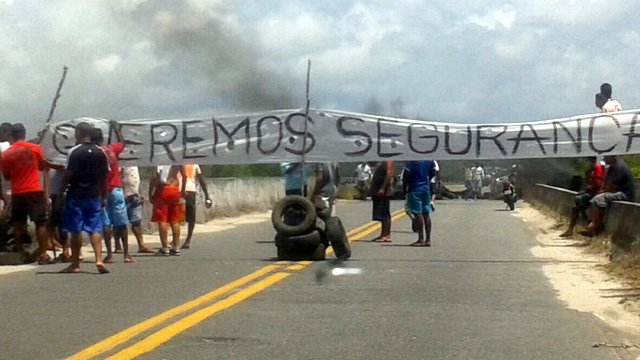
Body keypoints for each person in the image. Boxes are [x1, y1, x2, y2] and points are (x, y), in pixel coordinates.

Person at [57, 122, 110, 273]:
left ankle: (75, 264)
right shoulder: (100, 152)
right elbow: (104, 177)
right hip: (94, 195)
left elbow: (67, 175)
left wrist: (60, 195)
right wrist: (104, 195)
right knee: (95, 229)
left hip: (76, 195)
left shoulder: (74, 152)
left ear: (78, 133)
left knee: (75, 230)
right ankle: (99, 260)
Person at [1, 123, 52, 264]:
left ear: (12, 135)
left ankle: (21, 253)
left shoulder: (6, 154)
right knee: (40, 223)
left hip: (17, 192)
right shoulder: (35, 148)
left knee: (18, 224)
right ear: (24, 133)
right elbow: (42, 167)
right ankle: (42, 254)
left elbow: (7, 176)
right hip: (34, 190)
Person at [93, 124, 133, 264]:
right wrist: (116, 129)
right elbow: (123, 143)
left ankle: (109, 254)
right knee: (121, 222)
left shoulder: (94, 153)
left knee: (106, 223)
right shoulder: (112, 150)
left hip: (101, 191)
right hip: (116, 189)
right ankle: (126, 254)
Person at [580, 155, 635, 237]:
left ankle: (596, 225)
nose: (604, 159)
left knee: (599, 198)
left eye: (605, 157)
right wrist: (600, 191)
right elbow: (605, 183)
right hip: (616, 191)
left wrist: (600, 193)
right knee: (596, 198)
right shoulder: (611, 168)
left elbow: (611, 187)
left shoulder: (619, 167)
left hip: (625, 193)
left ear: (611, 157)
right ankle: (592, 222)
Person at [559, 157, 605, 238]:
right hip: (590, 192)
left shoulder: (598, 168)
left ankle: (586, 221)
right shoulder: (589, 170)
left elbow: (598, 184)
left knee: (578, 200)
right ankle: (570, 229)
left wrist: (588, 188)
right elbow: (586, 182)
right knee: (575, 207)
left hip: (596, 193)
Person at [149, 165, 186, 256]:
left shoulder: (159, 159)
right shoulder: (177, 158)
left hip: (163, 189)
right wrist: (183, 190)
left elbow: (154, 177)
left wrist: (150, 192)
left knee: (162, 219)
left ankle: (165, 247)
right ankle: (176, 247)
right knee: (175, 220)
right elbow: (184, 175)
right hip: (174, 188)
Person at [119, 166, 154, 253]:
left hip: (135, 195)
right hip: (123, 195)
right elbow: (118, 177)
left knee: (136, 221)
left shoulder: (135, 164)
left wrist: (140, 193)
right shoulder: (122, 162)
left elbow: (137, 180)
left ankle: (141, 244)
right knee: (120, 223)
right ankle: (118, 245)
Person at [403, 160, 437, 247]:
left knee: (418, 213)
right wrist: (427, 178)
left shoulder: (411, 161)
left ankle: (421, 239)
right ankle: (428, 239)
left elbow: (406, 175)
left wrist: (404, 188)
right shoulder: (429, 160)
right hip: (426, 189)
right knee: (426, 213)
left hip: (414, 188)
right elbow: (433, 171)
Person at [181, 164, 212, 249]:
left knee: (190, 216)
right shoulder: (177, 163)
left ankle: (188, 239)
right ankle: (178, 240)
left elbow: (201, 180)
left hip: (189, 190)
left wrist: (207, 195)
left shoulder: (195, 165)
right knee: (178, 217)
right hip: (180, 190)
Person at [370, 161, 393, 242]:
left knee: (385, 213)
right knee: (380, 214)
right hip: (377, 190)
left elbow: (389, 174)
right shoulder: (379, 160)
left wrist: (383, 188)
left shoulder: (387, 160)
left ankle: (387, 235)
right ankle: (383, 234)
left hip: (383, 192)